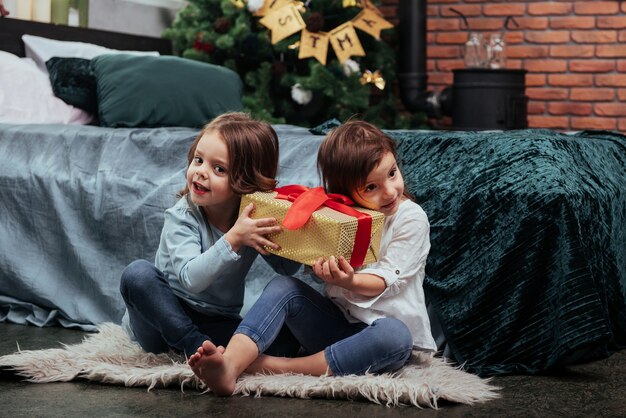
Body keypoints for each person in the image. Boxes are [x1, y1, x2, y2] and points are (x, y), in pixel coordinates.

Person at [188, 120, 437, 395]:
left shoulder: (410, 218)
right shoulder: (338, 217)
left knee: (396, 336)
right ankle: (230, 365)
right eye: (370, 188)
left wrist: (349, 280)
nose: (390, 190)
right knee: (283, 286)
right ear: (344, 190)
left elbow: (386, 280)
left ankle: (276, 366)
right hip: (334, 327)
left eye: (392, 173)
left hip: (380, 337)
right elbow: (307, 258)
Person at [119, 112, 300, 358]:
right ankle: (193, 345)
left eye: (219, 169)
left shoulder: (249, 219)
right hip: (162, 317)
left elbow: (285, 268)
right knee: (137, 274)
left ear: (246, 181)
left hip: (215, 321)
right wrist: (234, 238)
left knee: (286, 340)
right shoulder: (183, 215)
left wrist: (298, 238)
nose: (201, 172)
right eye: (198, 160)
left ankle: (203, 346)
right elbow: (190, 279)